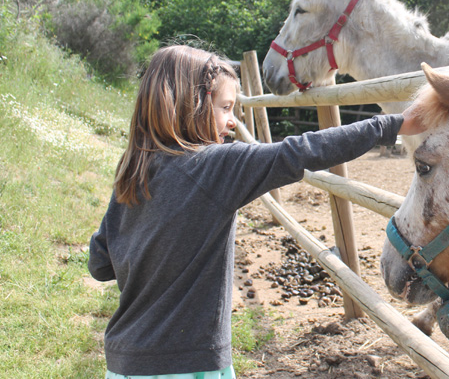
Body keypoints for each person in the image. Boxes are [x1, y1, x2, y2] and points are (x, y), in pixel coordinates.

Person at [89, 44, 424, 378]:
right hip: (189, 365)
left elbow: (100, 264)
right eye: (225, 107)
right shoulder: (213, 168)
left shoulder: (133, 173)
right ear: (192, 105)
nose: (232, 122)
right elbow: (301, 152)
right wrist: (391, 125)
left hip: (123, 362)